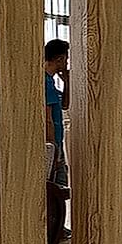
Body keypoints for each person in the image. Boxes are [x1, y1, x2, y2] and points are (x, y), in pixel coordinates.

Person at [44, 38, 70, 187]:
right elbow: (47, 119)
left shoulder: (51, 82)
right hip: (52, 144)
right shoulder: (45, 82)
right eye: (66, 59)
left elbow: (65, 105)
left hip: (57, 143)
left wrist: (67, 82)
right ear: (60, 59)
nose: (67, 63)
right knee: (59, 187)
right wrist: (53, 149)